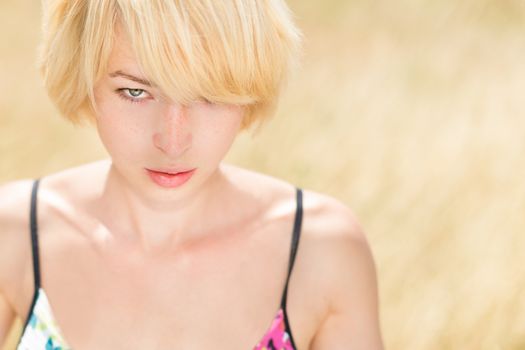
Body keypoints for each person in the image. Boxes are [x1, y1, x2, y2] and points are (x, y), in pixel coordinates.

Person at [0, 1, 384, 349]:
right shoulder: (15, 233)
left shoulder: (321, 250)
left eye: (208, 95)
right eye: (135, 92)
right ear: (84, 77)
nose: (172, 141)